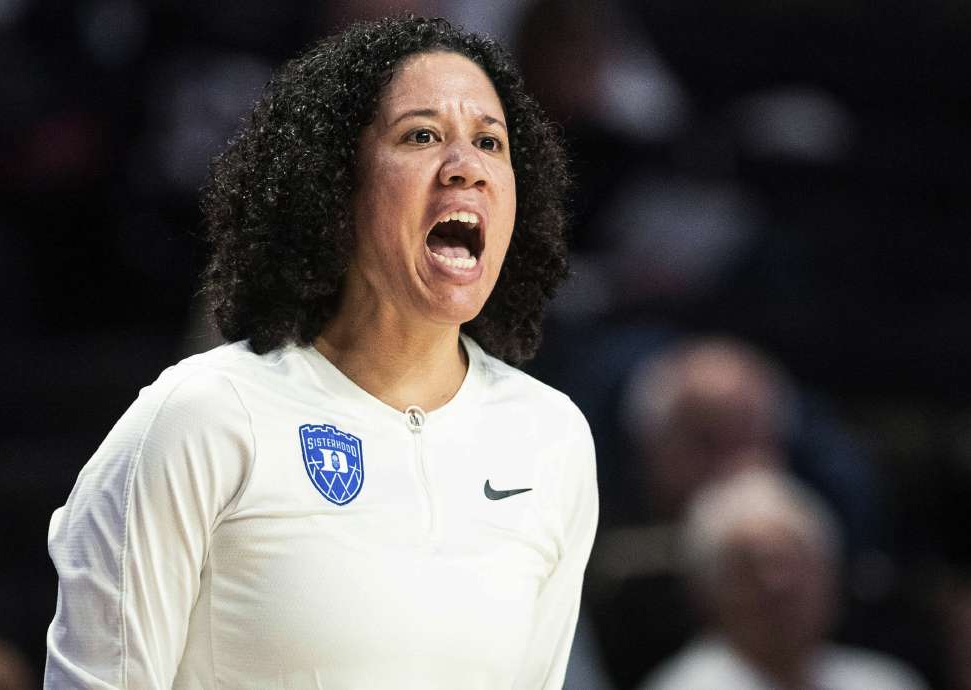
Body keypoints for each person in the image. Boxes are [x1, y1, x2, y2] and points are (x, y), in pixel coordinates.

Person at [43, 16, 596, 690]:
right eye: (421, 136)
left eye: (490, 142)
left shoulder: (552, 437)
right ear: (336, 182)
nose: (466, 168)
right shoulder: (205, 417)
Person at [638, 468, 925, 690]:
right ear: (706, 592)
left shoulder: (884, 681)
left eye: (795, 564)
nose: (778, 585)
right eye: (748, 571)